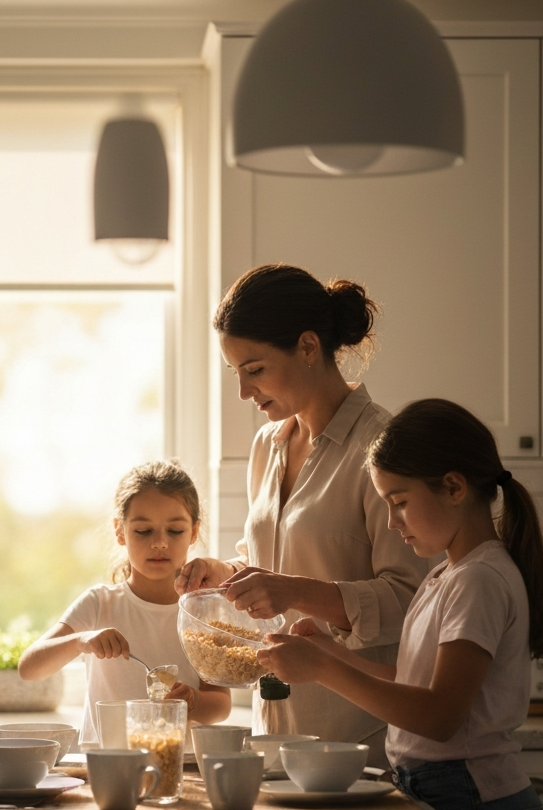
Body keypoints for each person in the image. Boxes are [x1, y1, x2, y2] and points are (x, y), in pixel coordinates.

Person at [258, 399, 543, 810]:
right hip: (446, 795)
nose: (394, 522)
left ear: (454, 487)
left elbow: (439, 717)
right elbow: (412, 683)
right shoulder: (449, 574)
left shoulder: (477, 580)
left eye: (399, 502)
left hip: (475, 807)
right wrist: (330, 653)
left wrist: (322, 671)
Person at [177, 264, 427, 763]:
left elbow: (413, 601)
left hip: (357, 740)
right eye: (236, 374)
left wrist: (293, 591)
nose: (245, 393)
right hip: (275, 731)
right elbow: (267, 558)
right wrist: (223, 574)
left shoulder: (382, 449)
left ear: (309, 347)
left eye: (255, 370)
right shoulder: (267, 445)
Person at [19, 461, 231, 747]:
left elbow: (221, 705)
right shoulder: (99, 604)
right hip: (106, 764)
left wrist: (193, 701)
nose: (159, 543)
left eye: (175, 531)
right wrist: (81, 641)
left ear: (194, 532)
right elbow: (29, 667)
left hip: (177, 765)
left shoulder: (204, 613)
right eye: (144, 531)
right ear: (120, 531)